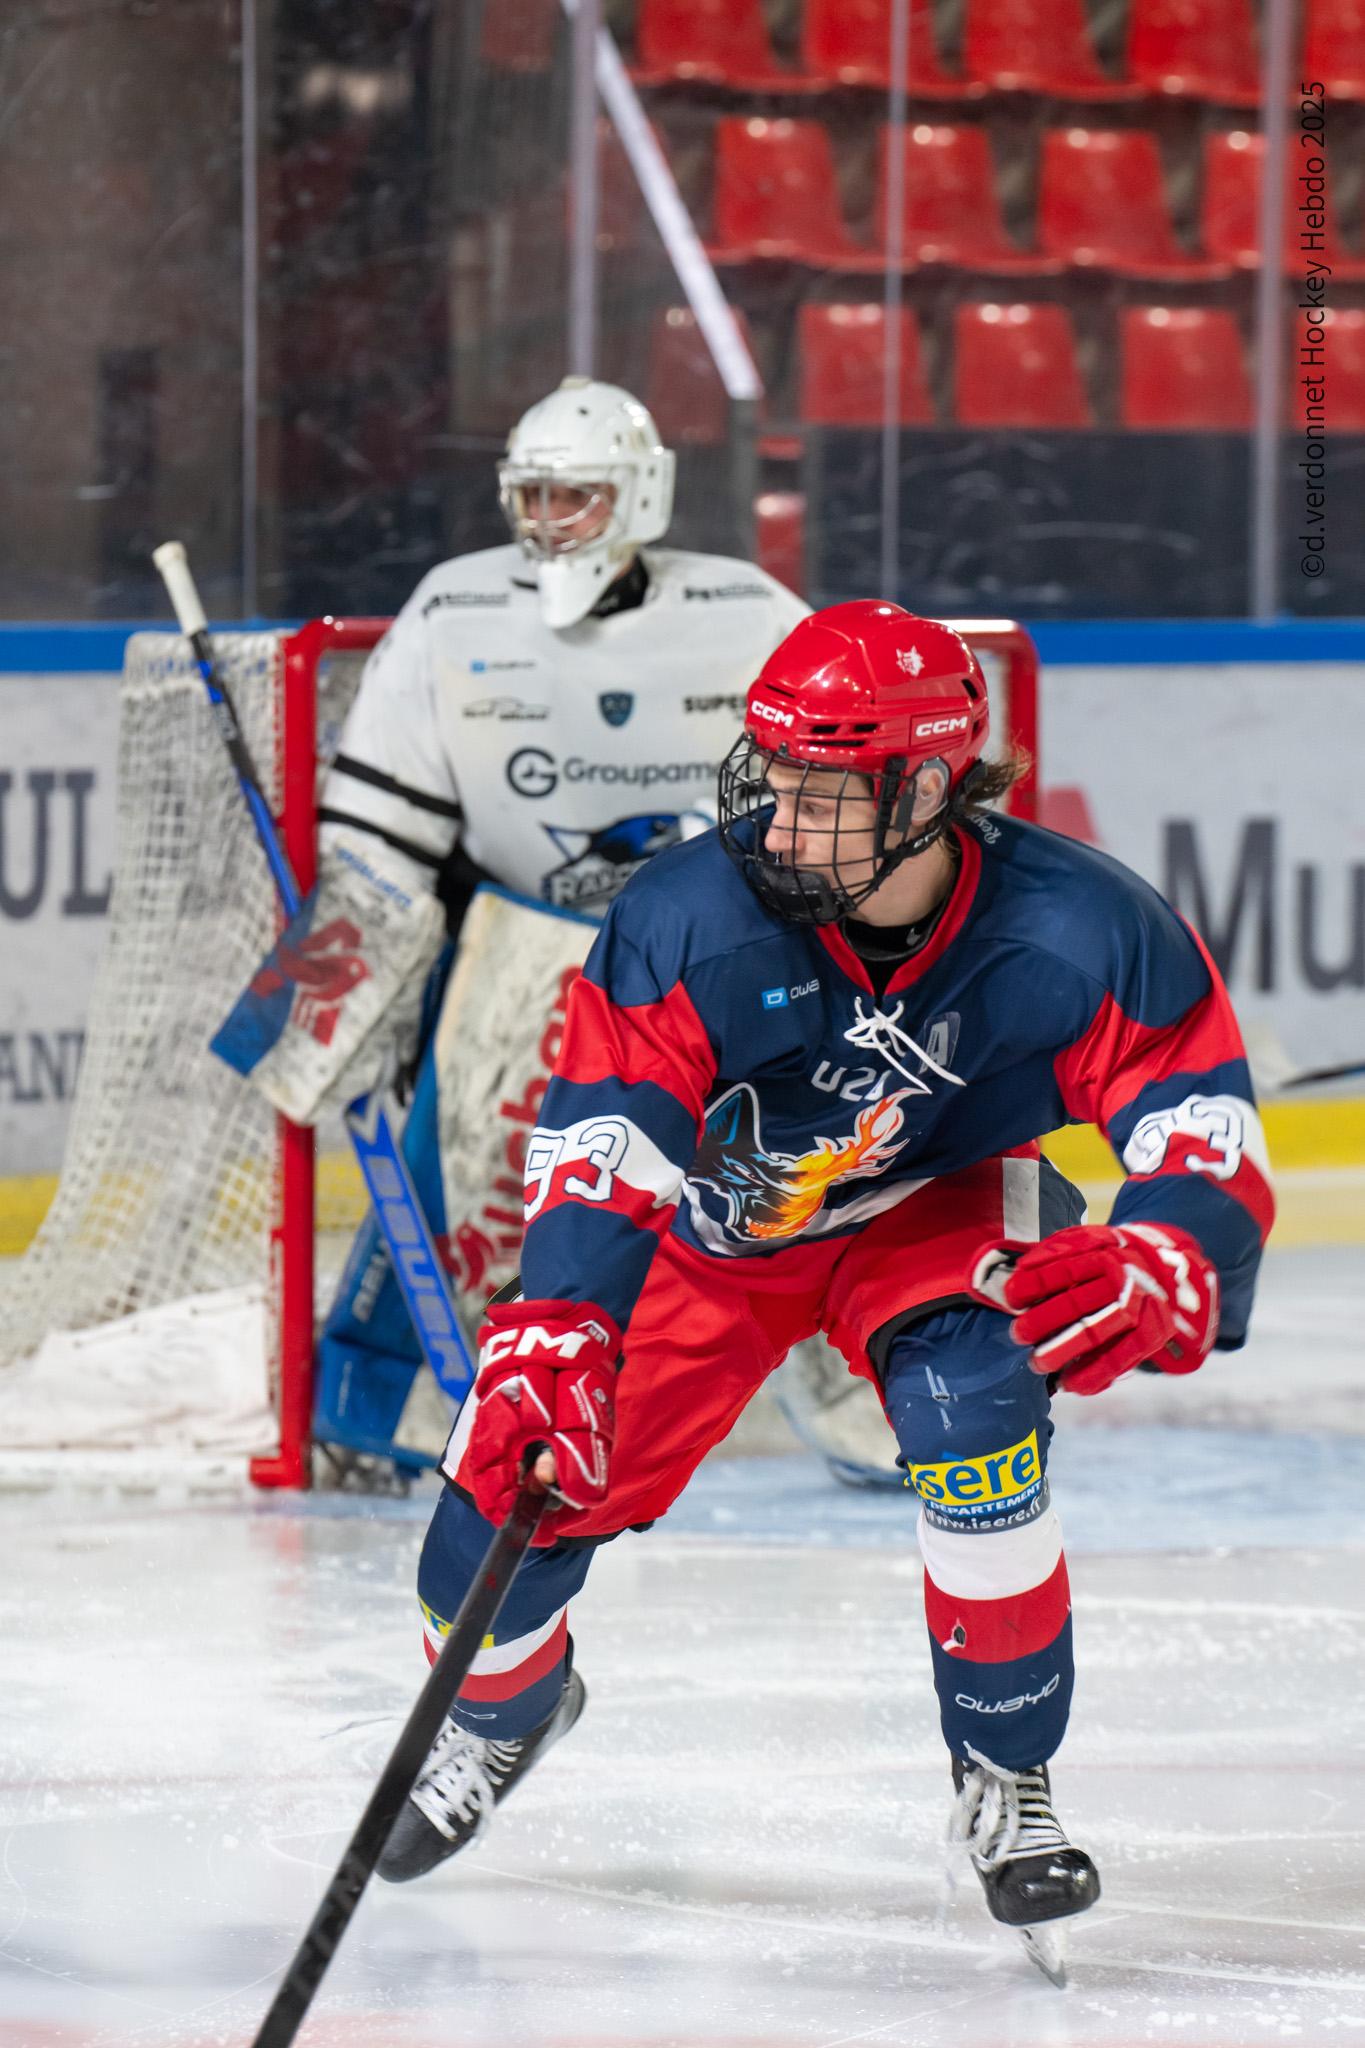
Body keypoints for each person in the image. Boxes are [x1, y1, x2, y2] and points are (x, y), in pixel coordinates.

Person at [375, 600, 1273, 1968]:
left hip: (938, 1205)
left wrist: (1175, 1244)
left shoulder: (1084, 927)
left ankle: (1008, 1774)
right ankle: (508, 1711)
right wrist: (555, 1326)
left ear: (922, 789)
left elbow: (1197, 1118)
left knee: (977, 1404)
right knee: (504, 1497)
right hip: (713, 1240)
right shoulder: (684, 916)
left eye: (817, 792)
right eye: (768, 777)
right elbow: (608, 1137)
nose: (773, 823)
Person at [212, 375, 807, 1457]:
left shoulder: (752, 615)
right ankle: (384, 1411)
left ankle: (886, 1390)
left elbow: (826, 803)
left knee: (824, 1152)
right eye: (529, 498)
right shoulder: (457, 610)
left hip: (713, 951)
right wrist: (315, 1000)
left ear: (638, 497)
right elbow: (379, 844)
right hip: (517, 959)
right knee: (469, 1165)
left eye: (572, 496)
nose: (546, 524)